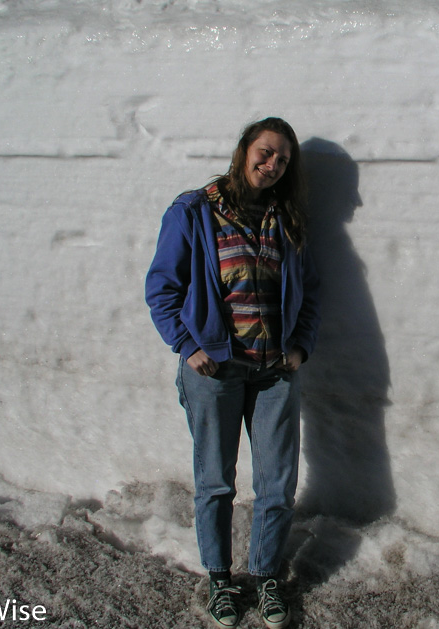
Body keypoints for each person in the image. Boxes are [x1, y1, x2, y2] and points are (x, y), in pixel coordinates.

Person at [145, 117, 320, 629]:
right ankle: (220, 579)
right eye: (265, 153)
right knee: (217, 480)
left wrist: (300, 348)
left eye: (282, 160)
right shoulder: (194, 210)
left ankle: (265, 575)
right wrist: (187, 344)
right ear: (244, 150)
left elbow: (309, 294)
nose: (271, 165)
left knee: (277, 482)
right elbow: (162, 289)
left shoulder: (286, 218)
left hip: (273, 372)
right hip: (214, 370)